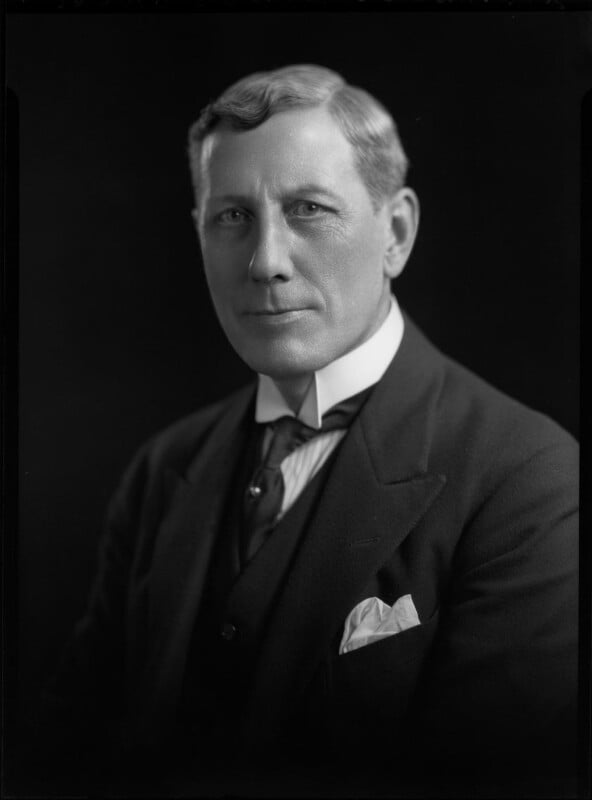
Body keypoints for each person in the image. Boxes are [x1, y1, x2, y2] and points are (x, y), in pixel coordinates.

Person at [36, 64, 578, 797]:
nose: (265, 262)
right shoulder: (164, 469)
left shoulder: (531, 482)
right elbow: (69, 752)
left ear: (396, 233)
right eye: (232, 217)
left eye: (310, 209)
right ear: (199, 235)